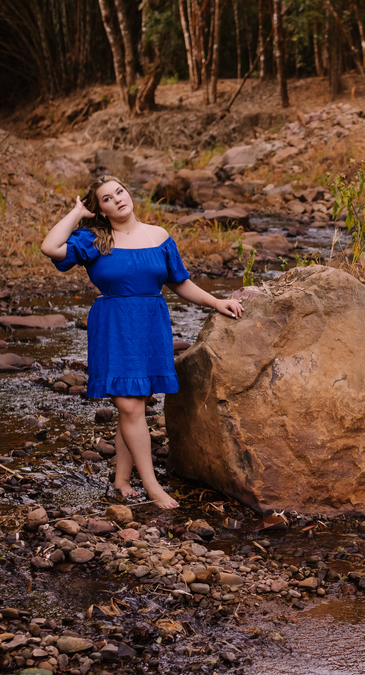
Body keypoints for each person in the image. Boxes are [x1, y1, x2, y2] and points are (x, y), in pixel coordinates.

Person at [40, 175, 242, 509]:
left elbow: (180, 282)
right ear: (100, 209)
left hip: (150, 323)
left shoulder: (159, 236)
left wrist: (216, 302)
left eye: (119, 191)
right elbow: (50, 248)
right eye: (107, 198)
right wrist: (77, 212)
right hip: (114, 325)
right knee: (130, 406)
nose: (117, 199)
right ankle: (152, 486)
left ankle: (121, 479)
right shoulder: (93, 240)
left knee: (135, 402)